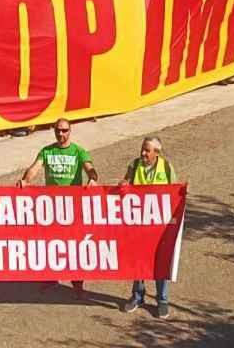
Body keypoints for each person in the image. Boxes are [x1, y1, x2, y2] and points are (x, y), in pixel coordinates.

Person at [17, 117, 98, 299]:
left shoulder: (79, 152)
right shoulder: (47, 151)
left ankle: (77, 283)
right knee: (51, 243)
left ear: (70, 131)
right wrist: (25, 180)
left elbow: (89, 167)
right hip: (52, 207)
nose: (61, 134)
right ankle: (51, 277)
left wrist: (93, 178)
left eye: (64, 130)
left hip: (72, 207)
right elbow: (34, 168)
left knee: (74, 245)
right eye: (57, 131)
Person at [118, 137, 177, 319]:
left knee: (160, 261)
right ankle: (137, 296)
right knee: (138, 260)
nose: (143, 153)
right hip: (138, 223)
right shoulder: (134, 165)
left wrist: (183, 191)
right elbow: (125, 182)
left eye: (147, 151)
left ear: (156, 153)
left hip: (159, 226)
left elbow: (174, 192)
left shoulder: (166, 168)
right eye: (142, 150)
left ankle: (162, 300)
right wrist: (123, 185)